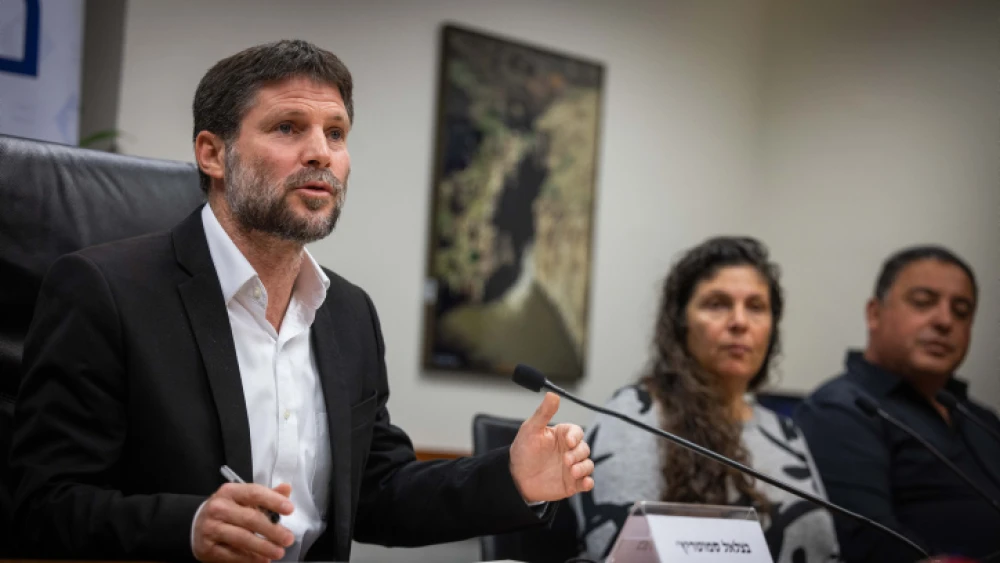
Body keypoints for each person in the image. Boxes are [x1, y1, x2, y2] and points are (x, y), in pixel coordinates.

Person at [9, 39, 594, 562]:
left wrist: (511, 477)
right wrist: (187, 526)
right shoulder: (104, 291)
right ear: (212, 154)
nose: (321, 153)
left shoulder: (349, 313)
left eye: (335, 133)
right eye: (288, 127)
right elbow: (43, 506)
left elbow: (378, 492)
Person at [571, 236, 840, 562]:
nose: (740, 322)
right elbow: (621, 553)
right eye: (717, 304)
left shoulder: (785, 433)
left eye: (756, 307)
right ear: (680, 322)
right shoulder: (635, 417)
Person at [795, 246, 1000, 561]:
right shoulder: (841, 409)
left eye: (961, 311)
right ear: (874, 313)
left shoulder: (980, 418)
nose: (945, 321)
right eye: (923, 302)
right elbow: (871, 544)